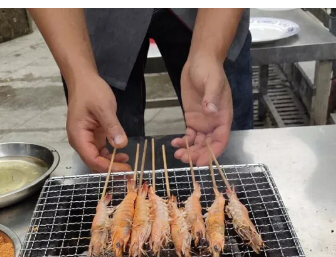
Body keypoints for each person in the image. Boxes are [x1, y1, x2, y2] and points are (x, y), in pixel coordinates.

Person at [28, 8, 253, 171]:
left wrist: (210, 54)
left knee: (225, 152)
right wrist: (80, 76)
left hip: (211, 14)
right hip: (96, 20)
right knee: (109, 156)